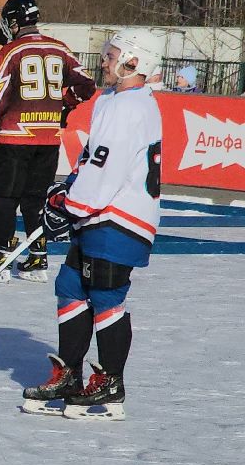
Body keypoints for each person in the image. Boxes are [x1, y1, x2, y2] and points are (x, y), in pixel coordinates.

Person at [21, 30, 164, 421]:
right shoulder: (115, 99)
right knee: (70, 287)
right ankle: (70, 375)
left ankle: (111, 382)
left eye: (112, 54)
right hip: (100, 213)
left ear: (134, 62)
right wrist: (66, 191)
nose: (103, 59)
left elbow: (108, 168)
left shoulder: (129, 107)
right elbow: (92, 161)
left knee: (106, 296)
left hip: (120, 219)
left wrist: (72, 206)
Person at [0, 0, 96, 280]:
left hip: (16, 138)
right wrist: (65, 103)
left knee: (4, 197)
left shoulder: (12, 50)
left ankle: (2, 254)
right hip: (48, 140)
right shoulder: (59, 47)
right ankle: (38, 257)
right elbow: (87, 85)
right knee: (34, 200)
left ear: (13, 22)